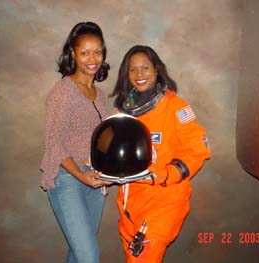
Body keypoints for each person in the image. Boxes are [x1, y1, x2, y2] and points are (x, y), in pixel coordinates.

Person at [109, 45, 211, 263]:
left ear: (156, 70)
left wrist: (168, 174)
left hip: (164, 199)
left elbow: (197, 148)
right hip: (130, 201)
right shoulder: (123, 112)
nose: (139, 74)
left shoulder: (176, 108)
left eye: (145, 68)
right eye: (133, 69)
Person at [40, 21, 111, 263]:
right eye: (85, 52)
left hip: (95, 180)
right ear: (73, 53)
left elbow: (102, 140)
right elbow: (54, 143)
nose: (93, 58)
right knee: (89, 257)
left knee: (79, 255)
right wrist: (81, 176)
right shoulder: (63, 91)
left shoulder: (100, 96)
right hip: (67, 180)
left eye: (98, 51)